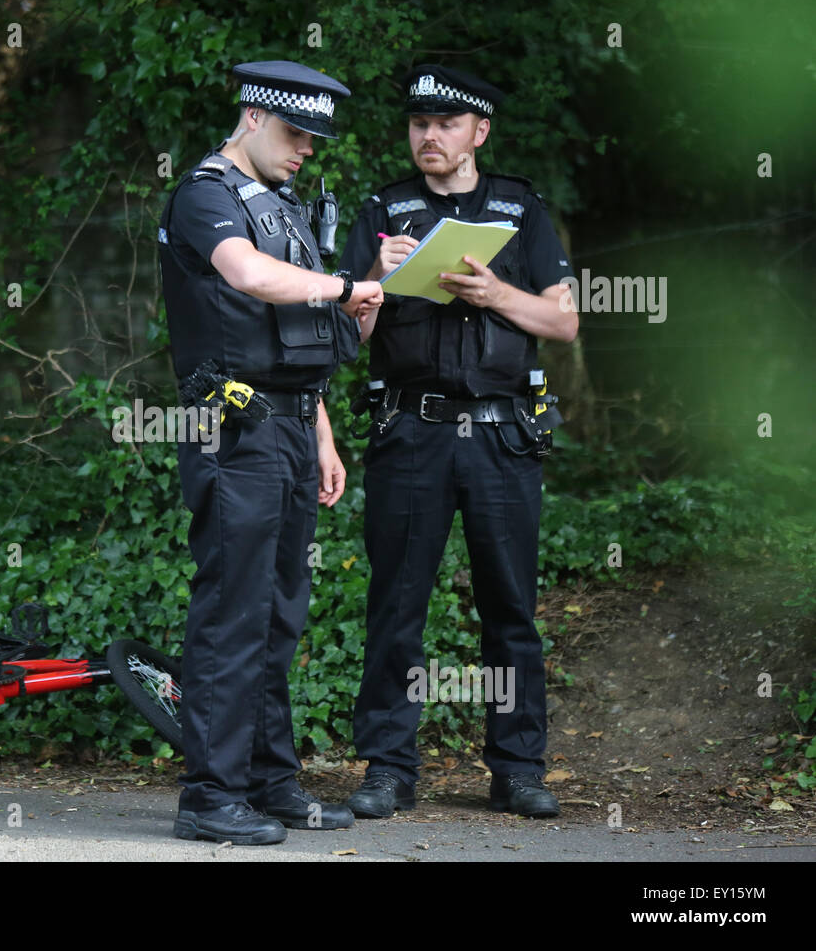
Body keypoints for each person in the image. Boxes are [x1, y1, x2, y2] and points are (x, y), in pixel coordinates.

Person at [339, 64, 578, 820]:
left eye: (445, 124)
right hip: (411, 430)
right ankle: (387, 768)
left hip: (504, 435)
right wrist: (374, 277)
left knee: (510, 608)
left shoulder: (519, 208)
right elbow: (346, 336)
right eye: (418, 123)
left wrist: (493, 293)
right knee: (396, 605)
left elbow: (563, 322)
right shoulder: (382, 209)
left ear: (478, 131)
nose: (429, 136)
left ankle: (517, 769)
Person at [158, 60, 384, 845]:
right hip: (232, 425)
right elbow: (249, 277)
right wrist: (341, 284)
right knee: (233, 610)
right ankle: (209, 795)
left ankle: (268, 781)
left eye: (316, 139)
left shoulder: (284, 205)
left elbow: (300, 339)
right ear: (253, 116)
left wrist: (322, 434)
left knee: (280, 610)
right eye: (295, 133)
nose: (306, 150)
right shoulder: (205, 194)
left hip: (288, 425)